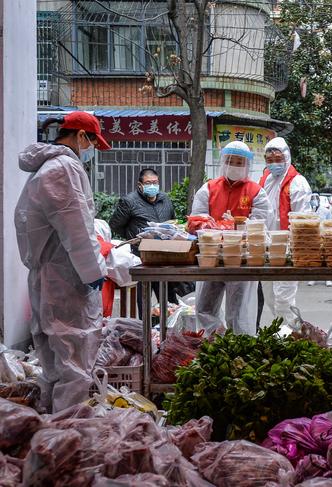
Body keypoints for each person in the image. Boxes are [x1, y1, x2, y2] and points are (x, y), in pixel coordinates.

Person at [15, 111, 111, 412]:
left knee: (55, 361)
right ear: (82, 137)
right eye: (93, 142)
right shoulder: (64, 169)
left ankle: (50, 427)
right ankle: (65, 434)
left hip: (49, 273)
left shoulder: (47, 167)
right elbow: (78, 228)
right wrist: (95, 272)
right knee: (73, 359)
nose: (92, 150)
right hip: (65, 278)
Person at [193, 141, 270, 334]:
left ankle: (241, 350)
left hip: (242, 260)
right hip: (212, 258)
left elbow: (260, 224)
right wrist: (216, 226)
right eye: (231, 161)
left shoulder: (256, 192)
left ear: (247, 165)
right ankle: (216, 341)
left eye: (239, 162)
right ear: (223, 162)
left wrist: (236, 223)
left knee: (240, 312)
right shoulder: (208, 189)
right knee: (204, 308)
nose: (234, 166)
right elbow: (198, 220)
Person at [109, 168, 184, 314]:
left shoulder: (165, 199)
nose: (152, 186)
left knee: (170, 302)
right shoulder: (129, 201)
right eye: (148, 183)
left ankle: (170, 332)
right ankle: (146, 331)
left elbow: (172, 221)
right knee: (145, 300)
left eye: (155, 182)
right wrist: (134, 237)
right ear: (140, 185)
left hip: (165, 257)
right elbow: (115, 225)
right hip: (141, 257)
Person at [259, 137, 312, 325]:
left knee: (284, 300)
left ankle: (292, 337)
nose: (274, 163)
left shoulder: (298, 183)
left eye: (277, 159)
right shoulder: (265, 180)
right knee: (271, 298)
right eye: (270, 160)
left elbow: (303, 220)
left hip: (288, 250)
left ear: (287, 157)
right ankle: (286, 334)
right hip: (266, 249)